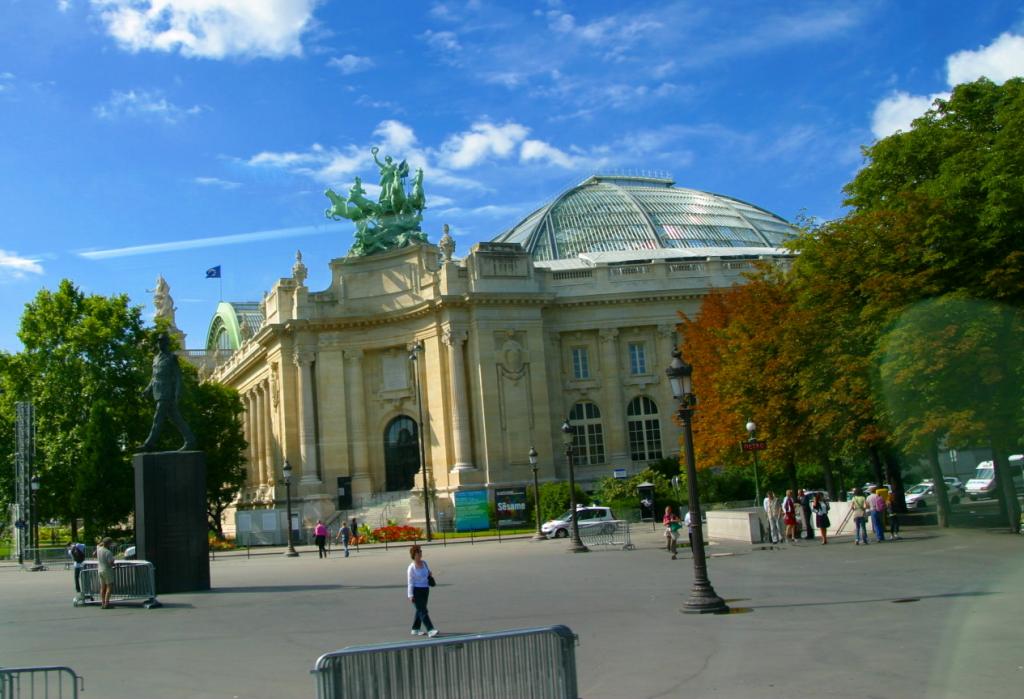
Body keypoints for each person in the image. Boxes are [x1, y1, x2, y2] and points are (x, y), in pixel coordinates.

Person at [406, 545, 438, 637]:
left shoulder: (424, 563)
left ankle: (415, 629)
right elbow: (410, 582)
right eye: (418, 552)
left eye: (420, 552)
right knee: (423, 611)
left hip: (425, 589)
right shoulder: (411, 568)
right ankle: (430, 629)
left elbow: (427, 573)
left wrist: (429, 574)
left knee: (420, 610)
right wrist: (410, 595)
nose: (420, 554)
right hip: (416, 591)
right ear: (414, 555)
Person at [96, 537, 116, 609]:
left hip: (100, 569)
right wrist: (114, 564)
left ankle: (102, 603)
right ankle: (107, 603)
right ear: (109, 544)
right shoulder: (108, 552)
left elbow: (98, 547)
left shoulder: (99, 549)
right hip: (107, 570)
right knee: (109, 587)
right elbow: (110, 563)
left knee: (102, 587)